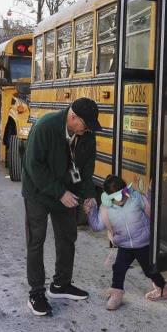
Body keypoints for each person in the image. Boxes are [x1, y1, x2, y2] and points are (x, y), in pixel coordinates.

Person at [23, 97, 102, 316]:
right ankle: (36, 293)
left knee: (68, 237)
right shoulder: (45, 127)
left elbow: (86, 170)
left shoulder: (87, 135)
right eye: (84, 125)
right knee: (36, 240)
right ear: (73, 117)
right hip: (39, 192)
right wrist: (59, 193)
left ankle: (61, 285)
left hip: (68, 192)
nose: (87, 130)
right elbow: (33, 166)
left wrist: (88, 196)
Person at [84, 175, 167, 310]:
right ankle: (116, 294)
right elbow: (96, 226)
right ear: (108, 197)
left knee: (149, 270)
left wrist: (151, 191)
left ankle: (163, 288)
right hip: (124, 245)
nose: (120, 200)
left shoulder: (136, 198)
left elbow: (152, 209)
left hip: (142, 243)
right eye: (115, 197)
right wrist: (91, 210)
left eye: (122, 194)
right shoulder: (106, 208)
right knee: (118, 269)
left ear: (126, 190)